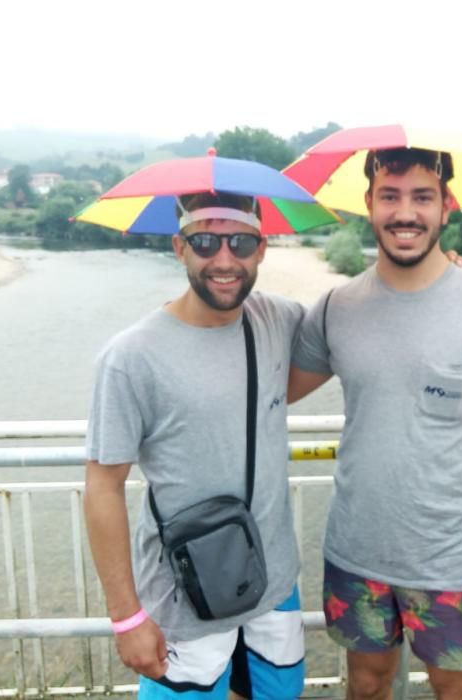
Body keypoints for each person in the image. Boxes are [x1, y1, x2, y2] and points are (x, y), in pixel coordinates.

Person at [289, 147, 462, 700]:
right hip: (357, 552)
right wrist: (206, 313)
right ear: (369, 205)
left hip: (456, 560)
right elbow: (274, 387)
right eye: (390, 196)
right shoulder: (337, 307)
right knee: (366, 682)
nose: (405, 212)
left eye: (422, 196)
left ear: (447, 206)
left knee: (456, 689)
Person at [84, 192, 305, 700]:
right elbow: (103, 486)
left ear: (262, 248)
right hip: (183, 599)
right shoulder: (131, 357)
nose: (224, 260)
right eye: (205, 241)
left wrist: (439, 274)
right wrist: (127, 616)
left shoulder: (276, 321)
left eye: (240, 242)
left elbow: (351, 332)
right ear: (179, 247)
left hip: (273, 587)